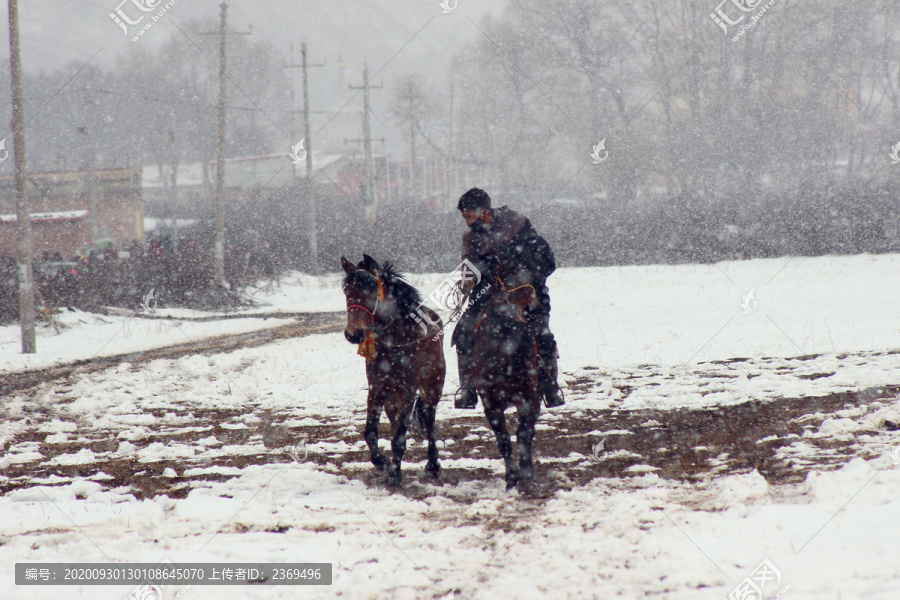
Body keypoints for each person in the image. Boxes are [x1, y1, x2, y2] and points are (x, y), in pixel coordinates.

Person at [450, 187, 564, 409]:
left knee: (542, 333)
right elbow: (469, 266)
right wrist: (469, 280)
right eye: (464, 218)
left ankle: (551, 387)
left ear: (483, 211)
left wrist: (527, 278)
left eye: (469, 216)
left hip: (526, 288)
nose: (467, 222)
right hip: (488, 292)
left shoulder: (517, 223)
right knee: (464, 331)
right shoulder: (471, 236)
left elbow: (544, 258)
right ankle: (467, 388)